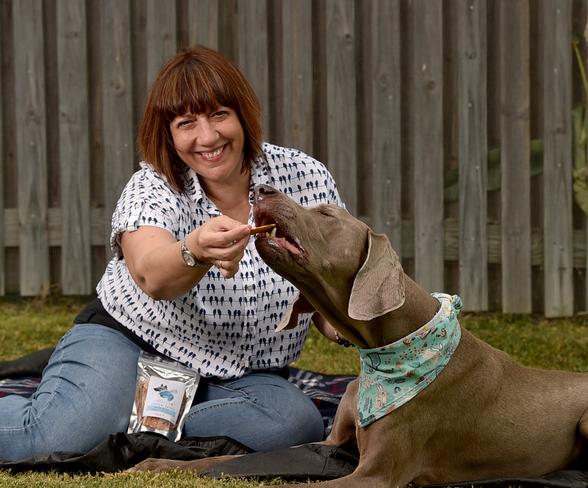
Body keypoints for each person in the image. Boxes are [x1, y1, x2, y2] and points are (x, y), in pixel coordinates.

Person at [0, 45, 345, 461]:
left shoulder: (304, 177)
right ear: (168, 133)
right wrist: (194, 250)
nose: (208, 137)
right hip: (133, 343)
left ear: (243, 115)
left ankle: (141, 418)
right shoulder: (153, 186)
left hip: (240, 375)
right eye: (187, 123)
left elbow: (329, 282)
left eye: (220, 114)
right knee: (54, 438)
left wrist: (348, 324)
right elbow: (151, 275)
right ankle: (109, 401)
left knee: (295, 424)